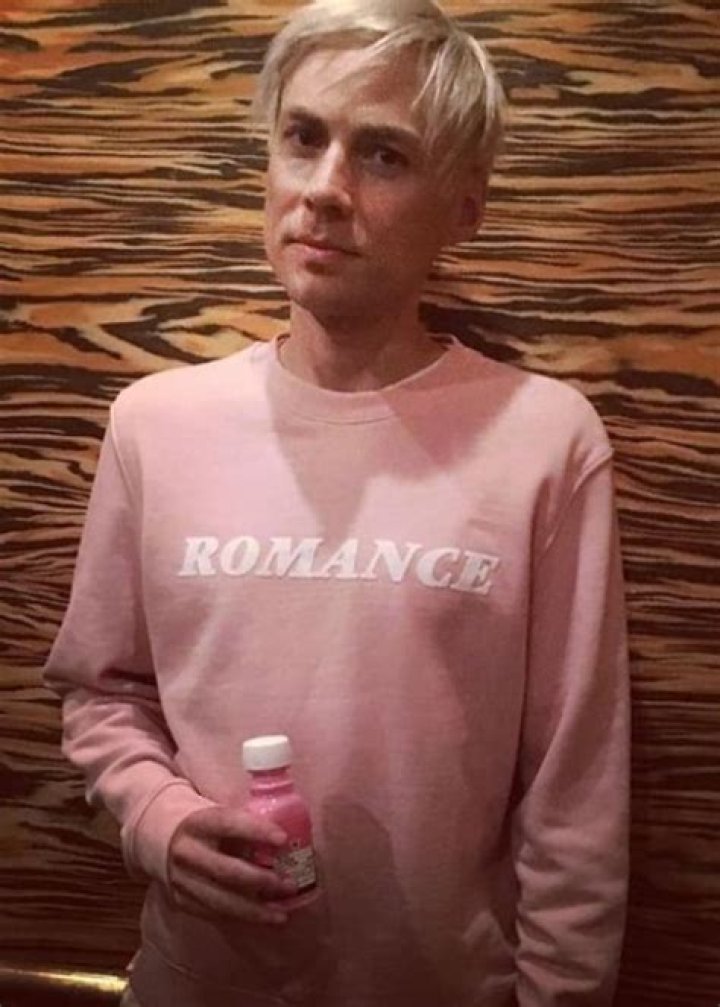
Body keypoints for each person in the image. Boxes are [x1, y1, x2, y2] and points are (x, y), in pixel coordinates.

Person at [43, 1, 630, 1005]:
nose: (325, 188)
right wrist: (160, 818)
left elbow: (575, 787)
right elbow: (100, 693)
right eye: (303, 138)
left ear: (465, 208)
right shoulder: (155, 422)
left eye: (384, 155)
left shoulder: (545, 439)